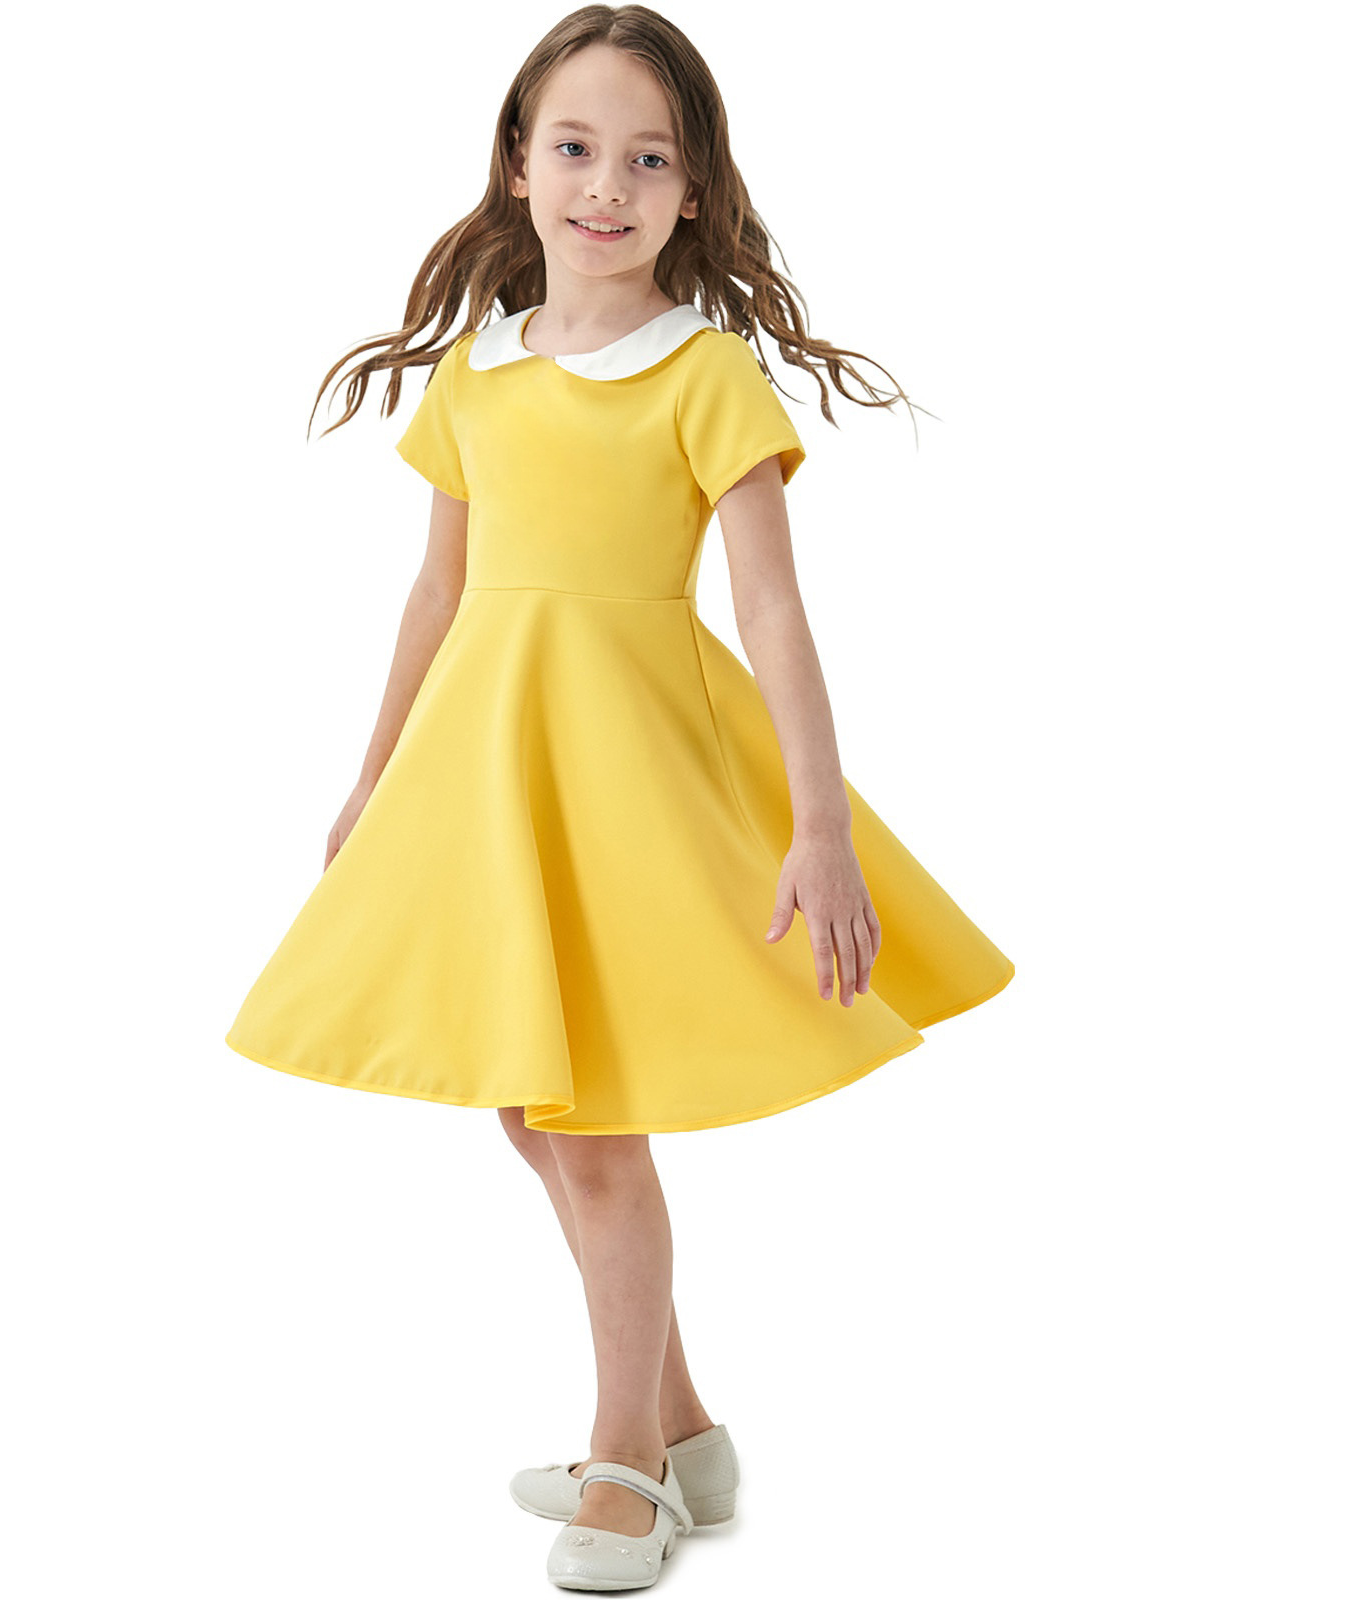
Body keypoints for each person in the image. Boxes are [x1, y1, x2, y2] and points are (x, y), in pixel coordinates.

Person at [224, 5, 1015, 1589]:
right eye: (576, 148)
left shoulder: (703, 372)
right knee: (531, 1109)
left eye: (650, 159)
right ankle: (682, 1429)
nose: (608, 186)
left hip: (632, 783)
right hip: (490, 776)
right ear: (518, 166)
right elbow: (437, 593)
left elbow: (773, 608)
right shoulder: (477, 373)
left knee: (591, 1130)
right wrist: (372, 777)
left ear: (694, 190)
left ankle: (626, 1465)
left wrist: (819, 826)